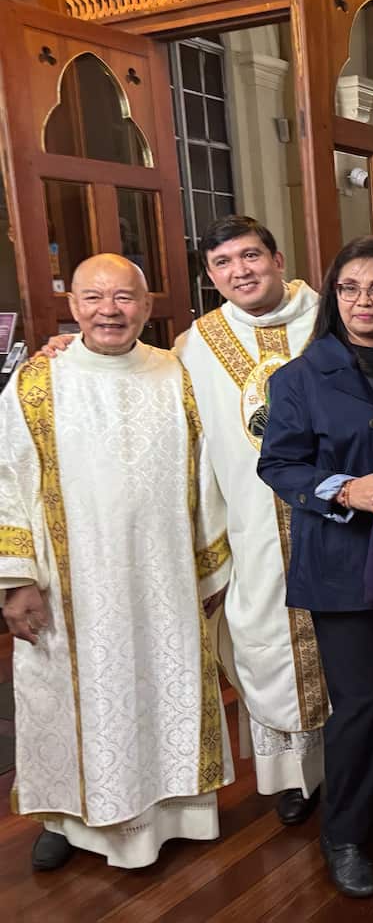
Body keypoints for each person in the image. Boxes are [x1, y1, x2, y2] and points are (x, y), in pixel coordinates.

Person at [0, 254, 233, 870]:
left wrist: (209, 564)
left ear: (147, 306)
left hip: (164, 578)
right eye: (94, 298)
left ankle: (176, 812)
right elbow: (6, 479)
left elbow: (207, 472)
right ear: (72, 306)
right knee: (68, 698)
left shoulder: (176, 375)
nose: (109, 310)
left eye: (124, 297)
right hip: (68, 585)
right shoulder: (35, 383)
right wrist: (16, 580)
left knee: (164, 687)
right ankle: (67, 818)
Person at [257, 236, 373, 898]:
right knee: (361, 700)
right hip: (344, 560)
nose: (364, 300)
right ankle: (345, 834)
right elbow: (279, 464)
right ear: (334, 297)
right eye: (350, 288)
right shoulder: (300, 377)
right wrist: (345, 489)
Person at [175, 215, 328, 827]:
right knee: (267, 645)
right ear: (211, 277)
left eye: (251, 256)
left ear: (277, 259)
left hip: (337, 517)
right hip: (253, 527)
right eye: (223, 263)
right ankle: (291, 778)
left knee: (354, 647)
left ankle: (362, 767)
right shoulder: (196, 344)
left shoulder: (327, 319)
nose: (240, 271)